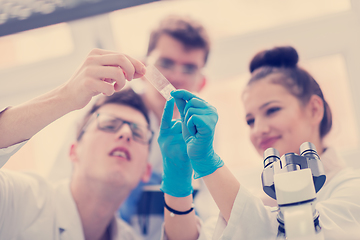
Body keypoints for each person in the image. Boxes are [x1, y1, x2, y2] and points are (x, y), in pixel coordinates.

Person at [159, 46, 360, 239]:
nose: (258, 130)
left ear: (314, 110)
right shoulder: (256, 201)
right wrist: (177, 186)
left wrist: (207, 162)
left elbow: (279, 231)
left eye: (272, 110)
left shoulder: (351, 190)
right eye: (250, 121)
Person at [0, 48, 156, 239]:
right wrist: (65, 96)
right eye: (109, 124)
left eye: (138, 132)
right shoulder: (18, 201)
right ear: (74, 151)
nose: (125, 133)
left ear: (146, 171)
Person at [118, 14, 217, 239]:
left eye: (190, 68)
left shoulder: (203, 130)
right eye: (165, 63)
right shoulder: (110, 116)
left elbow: (208, 211)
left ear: (201, 82)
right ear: (143, 69)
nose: (175, 77)